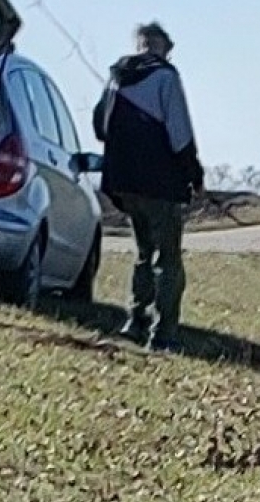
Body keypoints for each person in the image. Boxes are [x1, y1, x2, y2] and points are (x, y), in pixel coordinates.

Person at [93, 22, 204, 353]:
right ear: (163, 46)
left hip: (123, 182)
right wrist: (194, 174)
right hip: (160, 183)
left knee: (143, 253)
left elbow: (100, 127)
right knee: (167, 258)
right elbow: (179, 132)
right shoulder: (166, 76)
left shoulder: (116, 77)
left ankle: (135, 321)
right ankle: (164, 333)